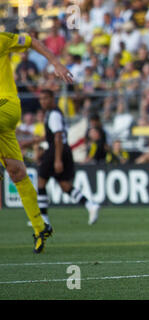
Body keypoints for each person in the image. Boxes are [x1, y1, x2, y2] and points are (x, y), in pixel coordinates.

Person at [0, 31, 73, 253]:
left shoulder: (1, 39)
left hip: (6, 105)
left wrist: (56, 63)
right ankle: (41, 227)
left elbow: (32, 41)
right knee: (17, 172)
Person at [36, 90, 100, 226]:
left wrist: (57, 159)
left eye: (45, 98)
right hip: (61, 148)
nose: (42, 102)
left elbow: (58, 136)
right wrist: (29, 141)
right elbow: (52, 135)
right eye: (41, 99)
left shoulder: (53, 114)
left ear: (53, 98)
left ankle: (43, 218)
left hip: (56, 149)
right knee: (64, 185)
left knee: (41, 181)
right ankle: (90, 205)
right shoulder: (53, 113)